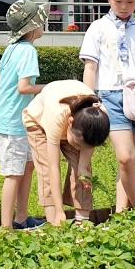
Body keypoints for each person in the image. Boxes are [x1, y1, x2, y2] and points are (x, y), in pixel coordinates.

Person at [80, 0, 135, 212]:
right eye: (118, 0)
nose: (124, 6)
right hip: (110, 96)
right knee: (126, 157)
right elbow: (90, 67)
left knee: (129, 162)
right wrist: (89, 99)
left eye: (130, 1)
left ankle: (122, 214)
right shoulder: (98, 27)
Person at [0, 0, 48, 230]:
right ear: (32, 26)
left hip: (10, 117)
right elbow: (24, 87)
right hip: (13, 121)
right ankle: (6, 228)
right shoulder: (28, 51)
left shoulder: (12, 47)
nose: (44, 24)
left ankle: (22, 217)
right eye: (41, 21)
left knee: (28, 166)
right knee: (13, 174)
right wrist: (50, 87)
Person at [23, 78, 111, 226]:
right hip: (38, 122)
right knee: (46, 173)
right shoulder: (56, 116)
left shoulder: (98, 117)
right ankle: (55, 224)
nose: (78, 147)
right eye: (78, 144)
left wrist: (82, 168)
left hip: (78, 126)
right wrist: (59, 210)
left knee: (83, 173)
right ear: (70, 123)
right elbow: (53, 168)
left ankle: (82, 224)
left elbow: (88, 145)